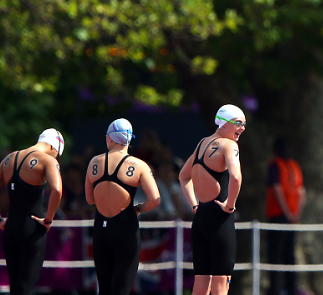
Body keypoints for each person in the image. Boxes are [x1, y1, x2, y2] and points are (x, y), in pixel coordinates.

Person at [0, 128, 65, 295]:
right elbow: (57, 190)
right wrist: (48, 220)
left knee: (15, 288)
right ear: (55, 148)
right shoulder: (48, 160)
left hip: (11, 229)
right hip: (32, 230)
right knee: (25, 288)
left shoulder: (10, 158)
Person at [85, 118, 161, 295]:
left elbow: (90, 200)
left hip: (101, 229)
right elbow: (155, 200)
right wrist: (138, 208)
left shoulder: (94, 162)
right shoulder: (140, 165)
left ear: (110, 138)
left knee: (104, 288)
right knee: (122, 289)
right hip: (126, 228)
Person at [179, 104, 246, 295]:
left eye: (244, 124)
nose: (242, 128)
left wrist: (194, 204)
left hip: (200, 219)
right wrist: (230, 205)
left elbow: (183, 177)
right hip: (219, 218)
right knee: (221, 283)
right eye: (238, 123)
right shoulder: (229, 145)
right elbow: (235, 177)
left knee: (201, 283)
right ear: (224, 124)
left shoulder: (202, 143)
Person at [265, 135, 306, 295]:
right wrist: (296, 215)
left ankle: (275, 290)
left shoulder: (275, 165)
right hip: (293, 218)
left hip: (278, 215)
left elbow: (277, 189)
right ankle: (291, 289)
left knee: (276, 256)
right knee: (290, 256)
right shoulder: (295, 166)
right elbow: (302, 192)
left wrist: (288, 213)